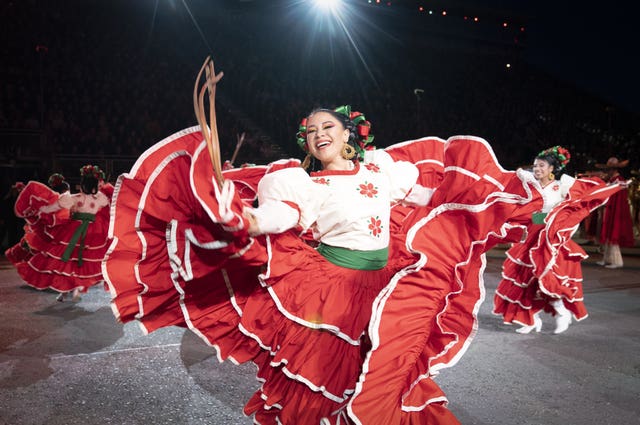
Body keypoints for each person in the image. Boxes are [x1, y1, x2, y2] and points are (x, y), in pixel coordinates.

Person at [104, 58, 545, 424]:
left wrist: (488, 200)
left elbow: (435, 200)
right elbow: (280, 216)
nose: (319, 134)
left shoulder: (380, 170)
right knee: (329, 378)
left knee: (387, 370)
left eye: (326, 126)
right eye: (311, 131)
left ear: (348, 132)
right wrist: (247, 220)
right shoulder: (302, 182)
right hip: (333, 288)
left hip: (386, 285)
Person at [492, 147, 626, 334]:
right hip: (532, 238)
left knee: (549, 278)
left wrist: (613, 187)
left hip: (552, 242)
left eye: (541, 166)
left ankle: (562, 311)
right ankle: (531, 320)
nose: (537, 169)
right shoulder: (531, 186)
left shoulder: (562, 185)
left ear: (552, 169)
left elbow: (582, 199)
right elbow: (523, 209)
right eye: (535, 165)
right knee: (525, 279)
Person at [15, 165, 110, 302]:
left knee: (67, 262)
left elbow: (53, 207)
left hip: (73, 231)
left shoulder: (74, 197)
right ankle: (75, 291)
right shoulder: (101, 198)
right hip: (93, 233)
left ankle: (66, 292)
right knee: (80, 264)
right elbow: (110, 204)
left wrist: (41, 209)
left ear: (81, 185)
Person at [4, 173, 70, 266]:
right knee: (36, 243)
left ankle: (23, 257)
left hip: (42, 226)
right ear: (64, 190)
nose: (68, 192)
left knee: (34, 243)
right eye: (67, 190)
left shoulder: (47, 198)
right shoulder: (56, 199)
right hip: (45, 227)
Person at [595, 157, 635, 268]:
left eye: (610, 169)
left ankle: (616, 261)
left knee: (612, 234)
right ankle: (606, 259)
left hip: (614, 211)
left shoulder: (619, 180)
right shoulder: (611, 180)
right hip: (608, 209)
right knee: (606, 234)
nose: (608, 171)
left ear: (614, 169)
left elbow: (618, 199)